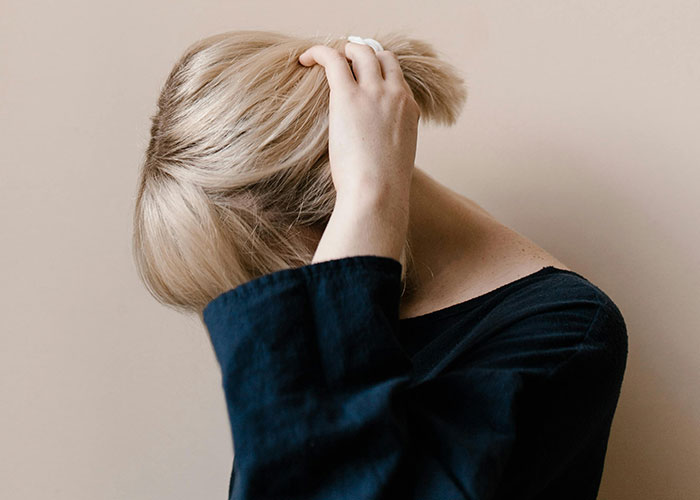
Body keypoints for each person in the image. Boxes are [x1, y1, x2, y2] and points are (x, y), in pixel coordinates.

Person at [133, 30, 628, 500]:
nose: (277, 322)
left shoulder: (565, 331)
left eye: (262, 281)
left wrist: (370, 196)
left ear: (332, 209)